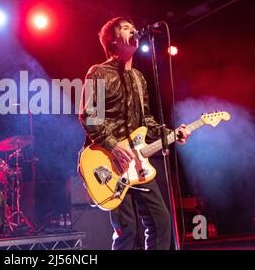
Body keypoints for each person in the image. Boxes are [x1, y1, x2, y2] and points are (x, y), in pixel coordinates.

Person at [79, 17, 191, 250]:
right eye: (125, 28)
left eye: (132, 26)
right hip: (109, 161)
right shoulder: (98, 72)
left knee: (161, 222)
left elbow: (146, 122)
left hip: (138, 162)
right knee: (127, 230)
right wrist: (114, 146)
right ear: (113, 40)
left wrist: (170, 134)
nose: (133, 30)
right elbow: (90, 116)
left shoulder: (139, 78)